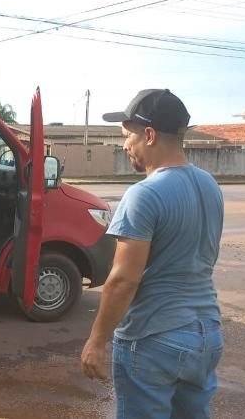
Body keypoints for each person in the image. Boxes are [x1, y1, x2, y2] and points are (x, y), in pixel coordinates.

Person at [81, 89, 225, 419]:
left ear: (149, 135)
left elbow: (123, 279)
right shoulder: (209, 185)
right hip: (206, 335)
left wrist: (97, 340)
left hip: (154, 339)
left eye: (127, 136)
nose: (124, 145)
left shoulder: (144, 195)